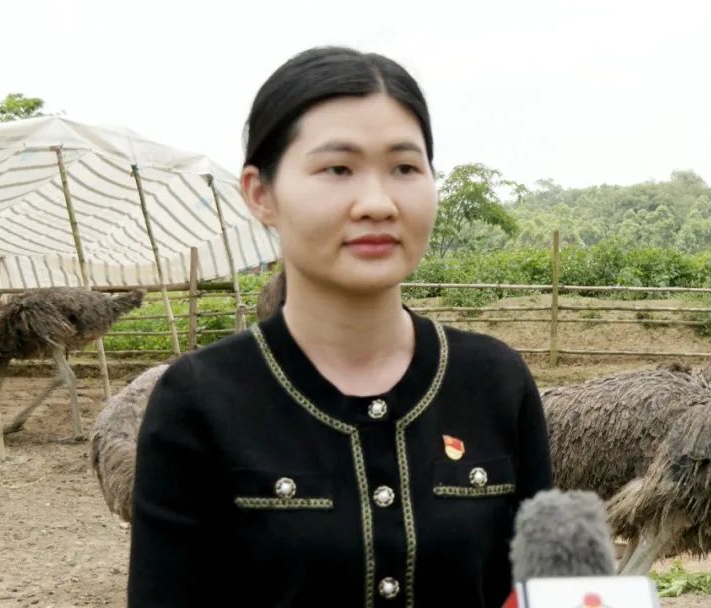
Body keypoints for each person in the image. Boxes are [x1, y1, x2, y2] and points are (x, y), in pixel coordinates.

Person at [127, 46, 553, 607]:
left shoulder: (495, 381)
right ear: (261, 193)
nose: (377, 203)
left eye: (404, 167)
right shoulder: (199, 401)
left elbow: (544, 590)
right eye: (337, 169)